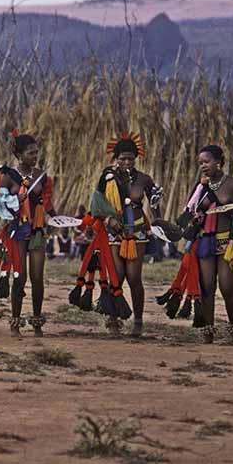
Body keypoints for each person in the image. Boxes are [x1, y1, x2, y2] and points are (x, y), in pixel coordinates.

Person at [166, 145, 233, 343]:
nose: (203, 166)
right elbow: (189, 211)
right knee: (207, 287)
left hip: (228, 242)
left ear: (218, 162)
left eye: (206, 162)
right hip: (205, 242)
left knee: (227, 287)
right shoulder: (200, 188)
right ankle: (208, 330)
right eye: (200, 163)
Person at [0, 132, 56, 337]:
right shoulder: (7, 176)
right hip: (17, 230)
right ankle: (15, 322)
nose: (35, 156)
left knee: (37, 277)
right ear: (19, 154)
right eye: (30, 153)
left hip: (37, 230)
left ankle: (37, 322)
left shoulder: (41, 176)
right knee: (19, 277)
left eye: (36, 152)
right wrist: (15, 201)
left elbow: (47, 203)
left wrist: (56, 219)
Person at [91, 133, 157, 337]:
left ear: (136, 158)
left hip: (136, 232)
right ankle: (113, 320)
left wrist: (159, 223)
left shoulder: (144, 179)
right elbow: (97, 205)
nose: (126, 162)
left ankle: (138, 322)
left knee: (134, 278)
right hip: (114, 233)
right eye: (122, 159)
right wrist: (108, 220)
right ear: (116, 158)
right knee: (116, 277)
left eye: (130, 158)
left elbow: (155, 204)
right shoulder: (107, 178)